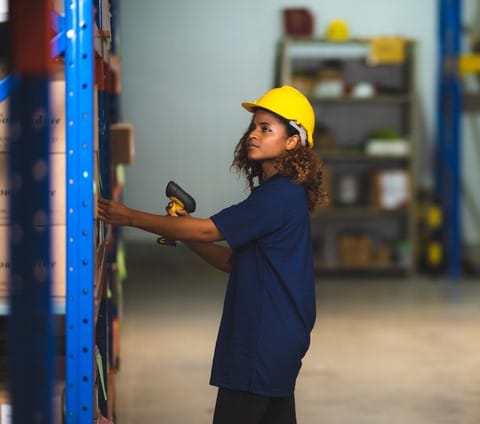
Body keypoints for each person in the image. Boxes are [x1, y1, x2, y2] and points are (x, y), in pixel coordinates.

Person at [98, 85, 327, 424]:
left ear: (292, 141)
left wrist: (129, 217)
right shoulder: (282, 194)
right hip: (278, 339)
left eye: (267, 129)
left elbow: (209, 230)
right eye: (253, 126)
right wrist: (184, 231)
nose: (253, 134)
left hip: (260, 341)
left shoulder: (277, 197)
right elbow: (232, 262)